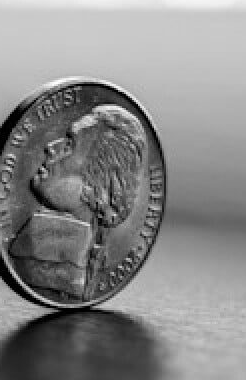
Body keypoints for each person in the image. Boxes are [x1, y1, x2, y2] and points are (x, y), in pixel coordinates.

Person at [9, 104, 148, 300]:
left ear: (98, 180)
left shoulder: (53, 260)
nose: (50, 147)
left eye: (70, 145)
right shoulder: (29, 253)